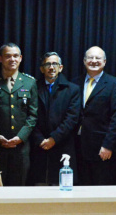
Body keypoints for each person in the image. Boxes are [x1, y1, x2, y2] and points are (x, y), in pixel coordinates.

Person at [28, 52, 80, 186]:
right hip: (39, 147)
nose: (51, 67)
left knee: (61, 191)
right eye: (47, 64)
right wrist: (40, 139)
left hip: (62, 146)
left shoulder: (72, 89)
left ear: (61, 67)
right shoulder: (33, 87)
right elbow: (29, 116)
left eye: (55, 64)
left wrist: (53, 139)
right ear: (41, 68)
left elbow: (72, 119)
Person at [0, 43, 37, 186]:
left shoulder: (29, 82)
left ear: (21, 58)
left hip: (21, 147)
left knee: (19, 187)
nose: (12, 59)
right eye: (8, 56)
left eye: (15, 56)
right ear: (0, 59)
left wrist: (20, 137)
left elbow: (33, 115)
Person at [77, 46, 116, 186]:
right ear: (84, 61)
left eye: (97, 58)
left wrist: (108, 145)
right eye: (90, 58)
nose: (93, 61)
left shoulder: (115, 84)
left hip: (102, 147)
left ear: (104, 61)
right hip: (78, 144)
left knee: (101, 186)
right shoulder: (75, 82)